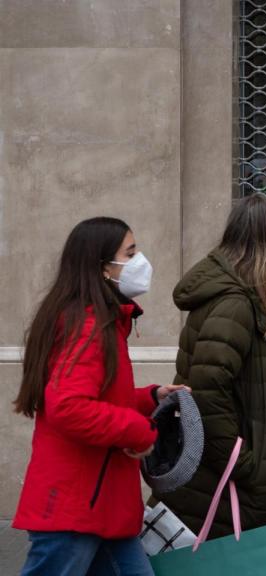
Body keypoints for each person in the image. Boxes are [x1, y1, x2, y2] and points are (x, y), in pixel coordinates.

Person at [13, 217, 186, 576]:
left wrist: (151, 398)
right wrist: (141, 431)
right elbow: (70, 407)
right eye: (131, 252)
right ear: (103, 266)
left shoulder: (99, 322)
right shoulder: (90, 326)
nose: (141, 261)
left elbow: (101, 398)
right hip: (76, 509)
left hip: (99, 505)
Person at [152, 193, 266, 574]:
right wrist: (242, 462)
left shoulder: (240, 297)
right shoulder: (234, 303)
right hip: (232, 471)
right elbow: (207, 390)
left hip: (231, 467)